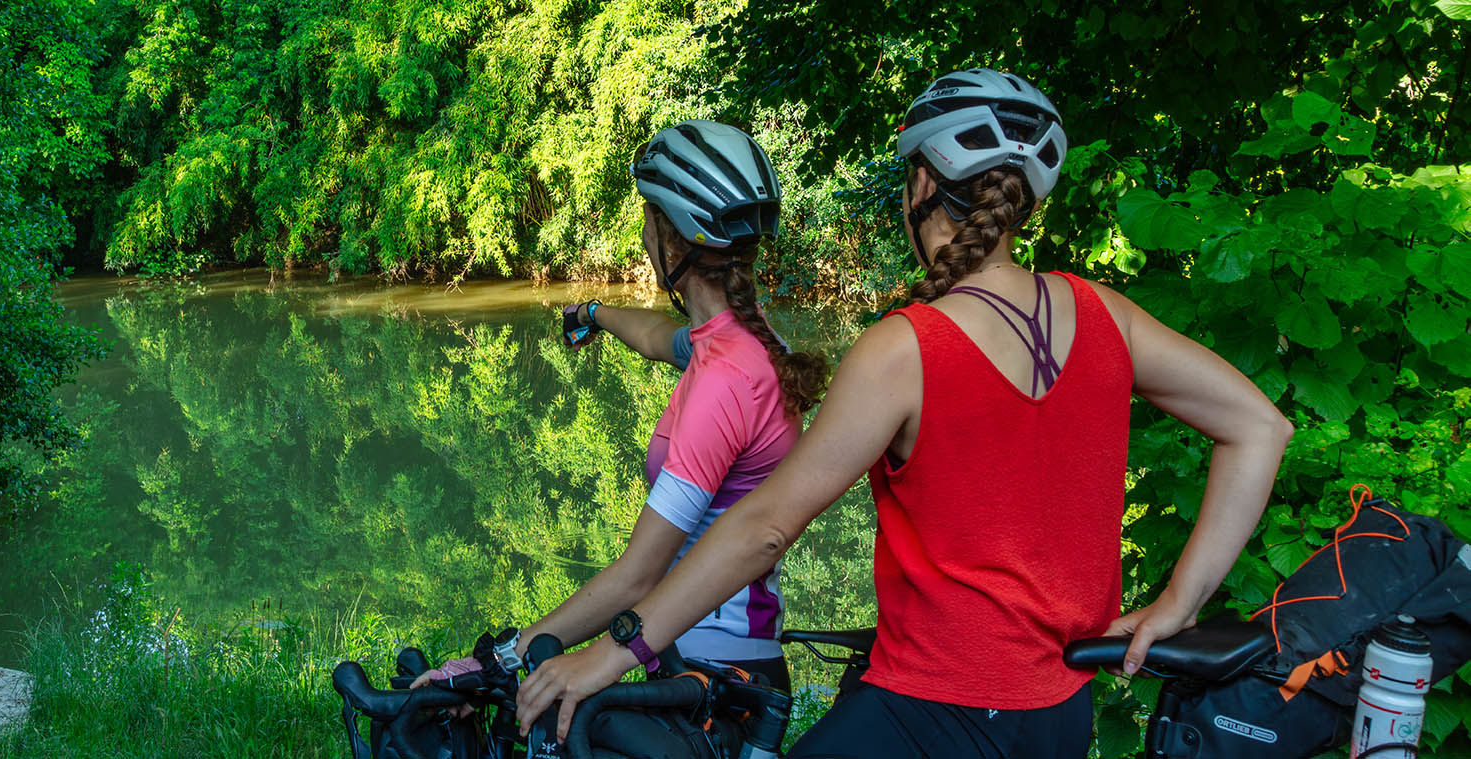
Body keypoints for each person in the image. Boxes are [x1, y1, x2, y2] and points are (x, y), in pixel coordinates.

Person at [515, 69, 1294, 758]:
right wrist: (1175, 603)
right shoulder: (1105, 315)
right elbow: (1260, 426)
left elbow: (764, 526)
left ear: (923, 185)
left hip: (934, 711)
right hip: (1060, 713)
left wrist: (615, 651)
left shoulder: (906, 348)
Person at [413, 119, 828, 694]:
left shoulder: (723, 382)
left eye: (647, 220)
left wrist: (506, 656)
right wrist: (593, 314)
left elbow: (639, 578)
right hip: (722, 654)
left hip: (705, 670)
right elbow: (661, 338)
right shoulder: (751, 346)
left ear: (671, 237)